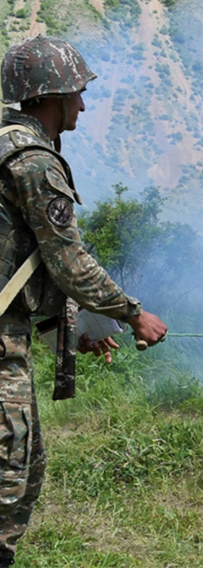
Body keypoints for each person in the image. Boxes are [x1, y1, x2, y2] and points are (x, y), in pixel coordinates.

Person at [0, 34, 168, 566]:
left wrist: (66, 330)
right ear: (49, 95)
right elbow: (68, 260)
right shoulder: (32, 162)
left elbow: (17, 261)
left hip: (13, 335)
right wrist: (133, 314)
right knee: (9, 481)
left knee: (26, 469)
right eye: (76, 93)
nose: (83, 104)